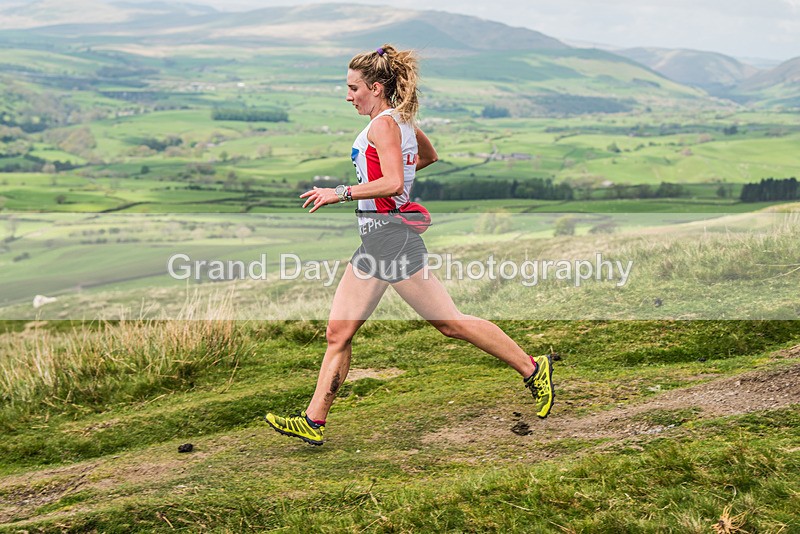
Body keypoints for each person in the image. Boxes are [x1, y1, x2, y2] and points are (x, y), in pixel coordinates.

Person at [266, 44, 554, 446]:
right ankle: (313, 420)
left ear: (377, 87)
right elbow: (428, 156)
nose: (348, 96)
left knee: (450, 323)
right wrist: (392, 174)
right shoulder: (400, 122)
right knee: (339, 332)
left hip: (391, 240)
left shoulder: (384, 125)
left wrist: (341, 192)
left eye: (353, 88)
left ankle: (532, 367)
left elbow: (393, 183)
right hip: (379, 238)